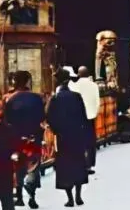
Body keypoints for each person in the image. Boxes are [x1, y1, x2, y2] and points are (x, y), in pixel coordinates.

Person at [47, 68, 90, 207]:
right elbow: (84, 117)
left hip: (62, 137)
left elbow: (49, 117)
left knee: (65, 166)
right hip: (77, 135)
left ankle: (70, 198)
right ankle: (79, 195)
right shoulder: (76, 96)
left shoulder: (55, 99)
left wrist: (56, 130)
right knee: (78, 163)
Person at [4, 70, 46, 209]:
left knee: (18, 166)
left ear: (15, 82)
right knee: (33, 165)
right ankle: (32, 195)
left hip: (16, 137)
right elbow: (41, 116)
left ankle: (19, 197)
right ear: (28, 81)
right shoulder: (37, 98)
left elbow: (7, 120)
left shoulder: (10, 100)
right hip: (33, 136)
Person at [69, 66, 100, 174]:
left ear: (79, 74)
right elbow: (97, 102)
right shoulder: (94, 85)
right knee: (90, 142)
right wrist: (94, 113)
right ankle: (89, 165)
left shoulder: (74, 85)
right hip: (90, 117)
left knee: (79, 141)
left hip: (78, 117)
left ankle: (79, 164)